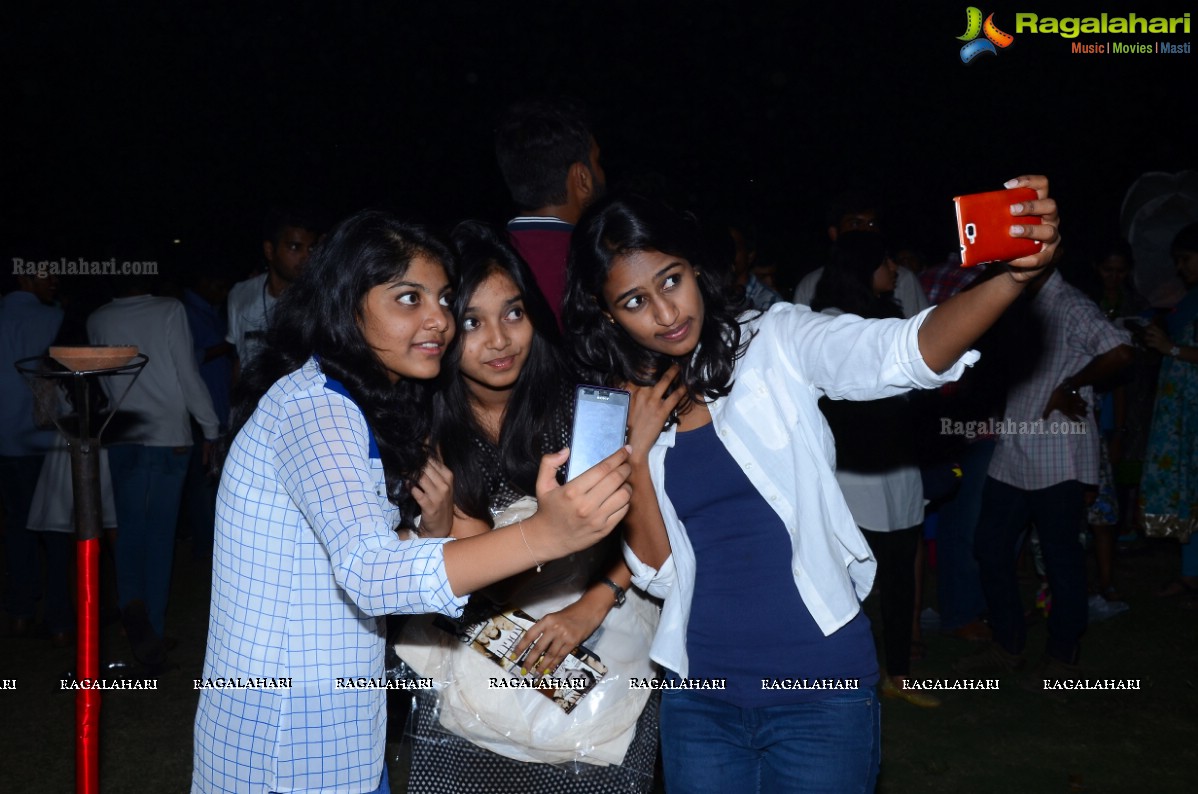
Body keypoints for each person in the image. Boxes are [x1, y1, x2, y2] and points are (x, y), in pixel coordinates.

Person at [563, 177, 1060, 792]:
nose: (666, 313)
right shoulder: (612, 408)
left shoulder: (773, 341)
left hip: (817, 689)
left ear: (696, 268)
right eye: (634, 302)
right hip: (701, 698)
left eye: (671, 279)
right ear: (606, 314)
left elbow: (902, 351)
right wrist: (635, 455)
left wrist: (1011, 279)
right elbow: (661, 575)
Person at [192, 210, 632, 794]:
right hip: (288, 742)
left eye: (443, 299)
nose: (439, 321)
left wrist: (431, 533)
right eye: (408, 298)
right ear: (348, 305)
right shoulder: (317, 408)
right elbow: (369, 571)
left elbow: (342, 554)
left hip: (330, 733)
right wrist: (544, 535)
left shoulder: (341, 401)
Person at [399, 221, 658, 793]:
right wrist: (439, 527)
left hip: (600, 643)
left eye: (513, 313)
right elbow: (479, 579)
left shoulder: (583, 405)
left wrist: (592, 603)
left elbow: (643, 530)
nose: (499, 339)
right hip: (487, 660)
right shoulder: (429, 425)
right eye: (472, 322)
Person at [962, 245, 1133, 681]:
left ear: (1047, 261)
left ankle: (1062, 656)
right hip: (1015, 449)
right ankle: (1009, 642)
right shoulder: (1023, 303)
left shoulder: (1072, 304)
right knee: (991, 546)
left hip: (1058, 456)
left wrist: (1073, 385)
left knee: (1061, 559)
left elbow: (1120, 351)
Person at [810, 233, 939, 708]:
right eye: (886, 260)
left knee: (901, 571)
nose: (895, 267)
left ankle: (900, 673)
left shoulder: (892, 316)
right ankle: (841, 675)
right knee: (845, 579)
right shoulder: (826, 324)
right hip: (851, 472)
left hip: (897, 465)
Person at [88, 272, 222, 656]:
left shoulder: (98, 318)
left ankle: (132, 606)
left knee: (129, 530)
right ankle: (154, 630)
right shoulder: (168, 308)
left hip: (122, 432)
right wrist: (210, 428)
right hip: (167, 434)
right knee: (160, 535)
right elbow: (185, 370)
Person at [495, 97, 606, 324]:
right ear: (582, 178)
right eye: (598, 161)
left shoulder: (483, 257)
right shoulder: (593, 264)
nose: (603, 175)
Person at [0, 272, 65, 640]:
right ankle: (59, 620)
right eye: (46, 273)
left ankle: (21, 611)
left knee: (17, 526)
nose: (54, 279)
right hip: (50, 438)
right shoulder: (54, 319)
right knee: (56, 530)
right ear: (24, 276)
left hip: (7, 440)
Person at [1141, 222, 1198, 598]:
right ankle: (1190, 574)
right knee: (1187, 487)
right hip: (1183, 409)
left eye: (1187, 259)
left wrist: (1171, 349)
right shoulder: (1190, 298)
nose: (1182, 268)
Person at [792, 191, 930, 318]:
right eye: (855, 224)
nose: (866, 231)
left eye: (871, 224)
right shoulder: (810, 285)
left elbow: (922, 334)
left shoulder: (902, 279)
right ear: (834, 233)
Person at [225, 206, 321, 375]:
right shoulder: (240, 294)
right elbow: (239, 358)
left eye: (311, 248)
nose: (307, 257)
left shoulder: (319, 298)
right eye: (295, 247)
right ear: (270, 250)